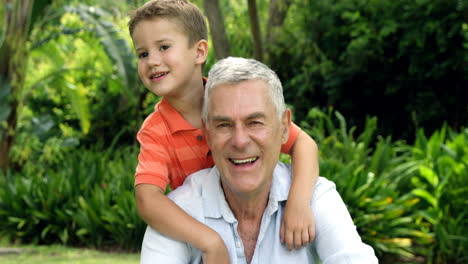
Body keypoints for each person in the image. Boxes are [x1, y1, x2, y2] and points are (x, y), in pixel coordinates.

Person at [129, 0, 320, 263]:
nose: (152, 61)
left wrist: (298, 203)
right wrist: (209, 241)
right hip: (202, 236)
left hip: (257, 223)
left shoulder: (233, 100)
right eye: (142, 54)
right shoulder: (156, 131)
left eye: (163, 47)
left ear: (199, 52)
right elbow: (147, 199)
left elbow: (304, 144)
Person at [140, 57, 378, 264]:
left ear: (284, 127)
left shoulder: (315, 198)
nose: (240, 141)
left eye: (255, 122)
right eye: (224, 125)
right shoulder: (180, 213)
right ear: (208, 133)